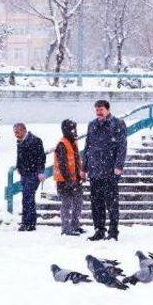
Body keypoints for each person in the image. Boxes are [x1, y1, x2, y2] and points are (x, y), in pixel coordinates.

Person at [83, 100, 127, 241]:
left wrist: (119, 166)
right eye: (96, 110)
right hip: (95, 170)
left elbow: (122, 147)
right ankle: (99, 230)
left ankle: (113, 231)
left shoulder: (117, 124)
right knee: (96, 203)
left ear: (107, 110)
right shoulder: (92, 125)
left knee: (112, 203)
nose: (98, 112)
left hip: (110, 170)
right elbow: (87, 147)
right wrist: (84, 167)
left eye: (101, 109)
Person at [53, 119, 84, 236]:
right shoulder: (62, 144)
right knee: (66, 204)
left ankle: (75, 226)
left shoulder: (73, 143)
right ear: (65, 130)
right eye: (72, 128)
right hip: (64, 181)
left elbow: (75, 161)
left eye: (75, 128)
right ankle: (66, 228)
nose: (74, 131)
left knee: (78, 203)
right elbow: (62, 164)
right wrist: (68, 179)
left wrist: (79, 175)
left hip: (75, 179)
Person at [13, 123, 46, 232]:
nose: (16, 135)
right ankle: (29, 223)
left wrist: (41, 171)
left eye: (17, 132)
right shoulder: (20, 141)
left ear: (23, 130)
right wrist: (18, 166)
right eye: (15, 133)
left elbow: (41, 157)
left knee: (28, 198)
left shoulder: (35, 141)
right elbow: (19, 156)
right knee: (27, 198)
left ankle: (27, 223)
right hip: (24, 174)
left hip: (33, 173)